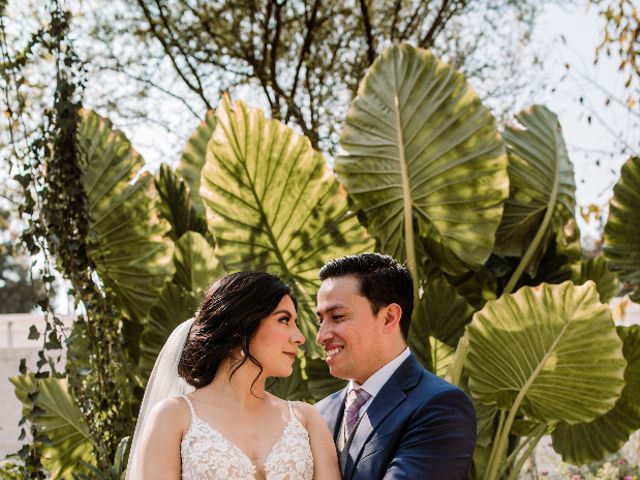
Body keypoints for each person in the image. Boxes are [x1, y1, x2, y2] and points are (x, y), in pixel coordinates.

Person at [127, 271, 340, 480]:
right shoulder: (174, 416)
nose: (300, 337)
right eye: (284, 320)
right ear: (242, 324)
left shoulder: (307, 419)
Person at [314, 253, 476, 480]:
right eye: (320, 320)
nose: (321, 336)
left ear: (389, 317)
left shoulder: (440, 406)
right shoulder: (317, 414)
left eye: (338, 316)